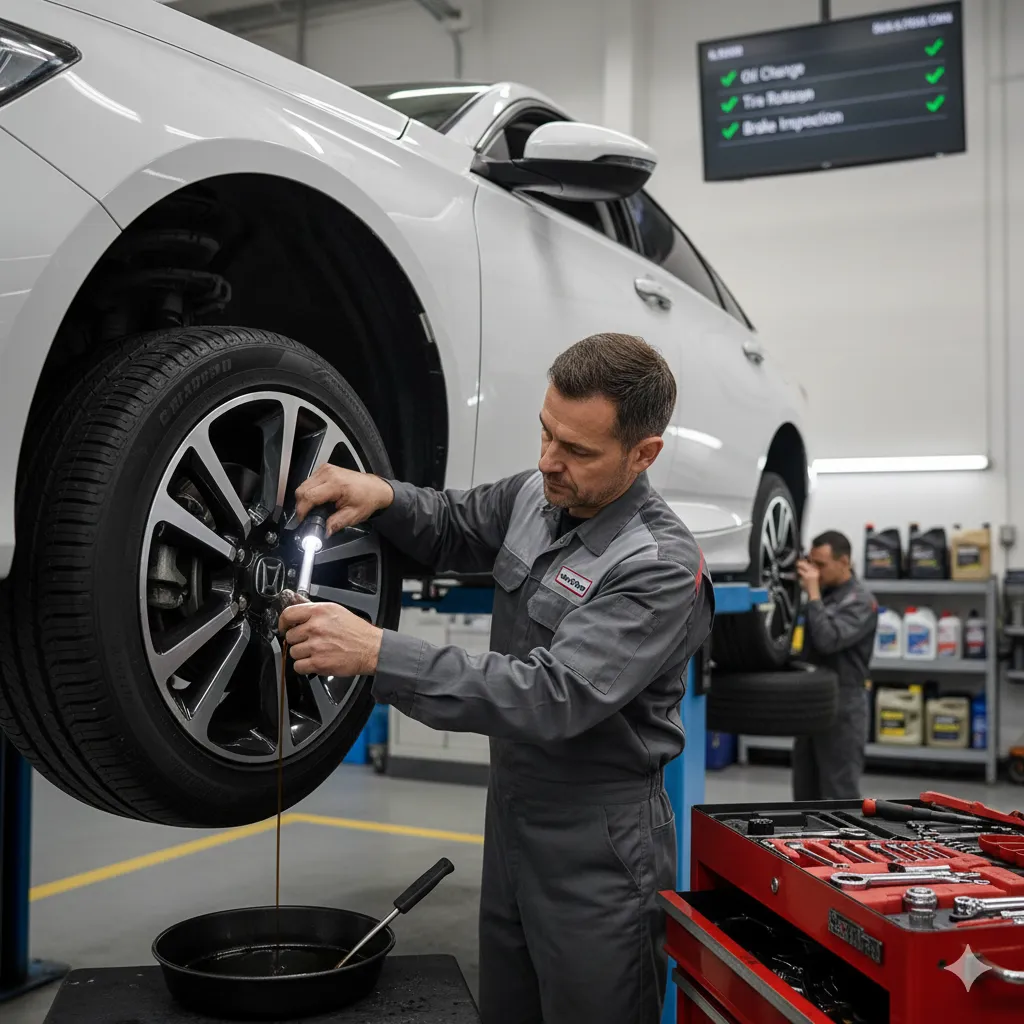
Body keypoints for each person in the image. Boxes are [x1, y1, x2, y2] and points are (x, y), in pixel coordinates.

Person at [279, 332, 714, 1024]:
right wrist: (383, 494)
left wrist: (376, 653)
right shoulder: (534, 497)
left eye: (576, 451)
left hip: (599, 844)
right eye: (546, 433)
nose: (548, 462)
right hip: (512, 817)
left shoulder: (658, 565)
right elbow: (451, 524)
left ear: (643, 454)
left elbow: (551, 694)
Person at [794, 530, 878, 801]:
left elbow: (828, 640)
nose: (814, 571)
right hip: (813, 700)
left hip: (844, 705)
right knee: (805, 793)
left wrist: (813, 595)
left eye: (821, 565)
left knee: (840, 793)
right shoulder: (826, 594)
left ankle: (846, 844)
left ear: (844, 562)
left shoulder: (861, 601)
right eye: (812, 563)